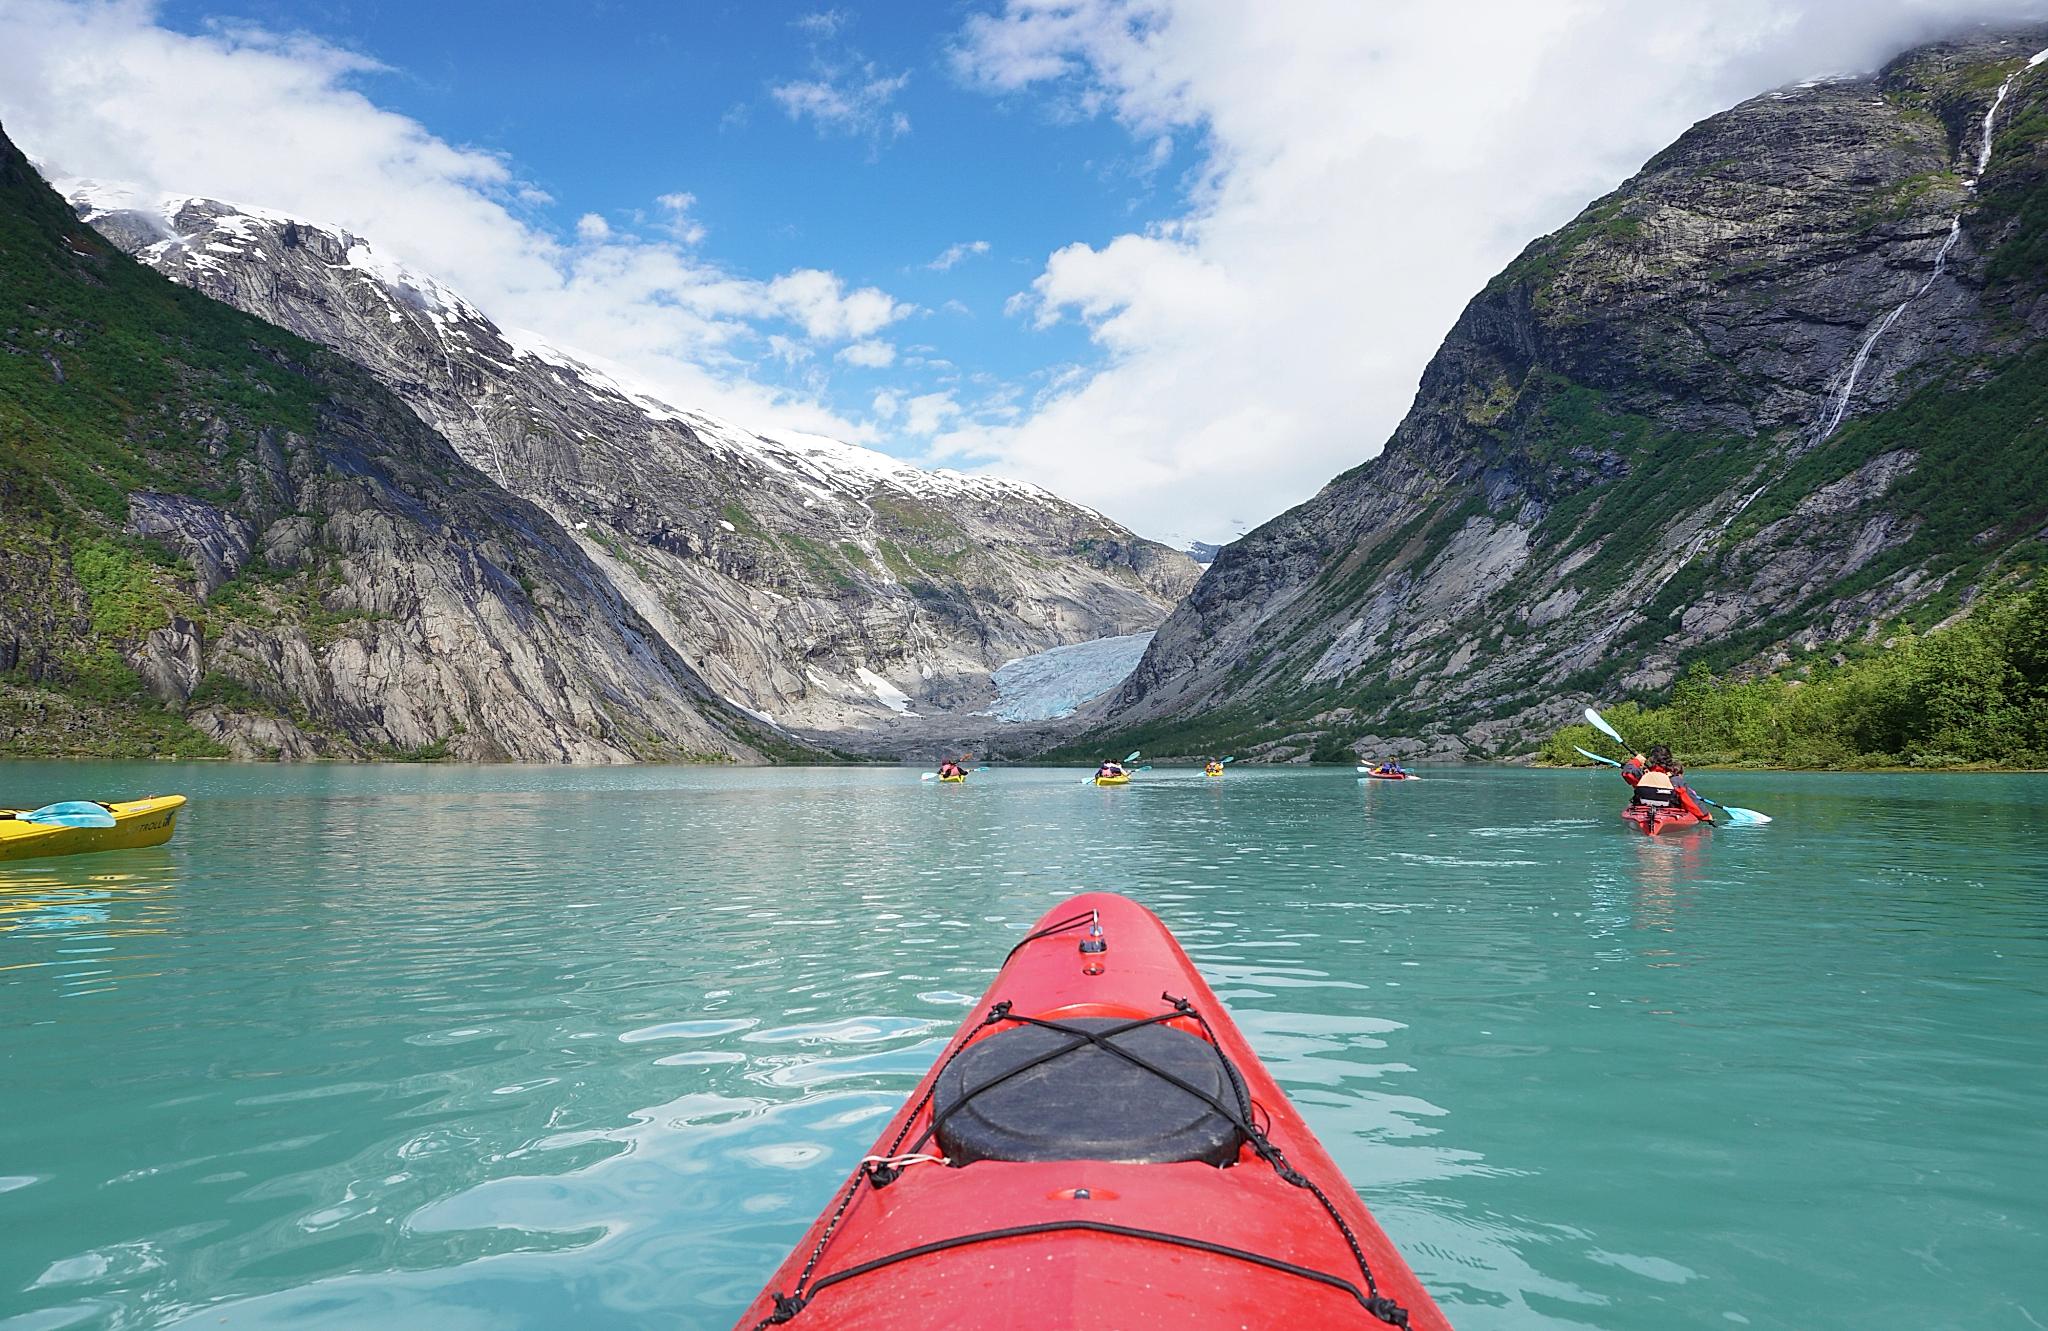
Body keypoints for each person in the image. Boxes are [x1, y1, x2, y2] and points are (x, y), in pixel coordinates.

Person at [1621, 744, 1711, 821]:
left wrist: (1636, 761)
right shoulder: (1676, 781)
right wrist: (1706, 816)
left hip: (1642, 812)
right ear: (1669, 760)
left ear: (1651, 760)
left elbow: (1627, 773)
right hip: (1670, 814)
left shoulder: (1643, 777)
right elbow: (1691, 801)